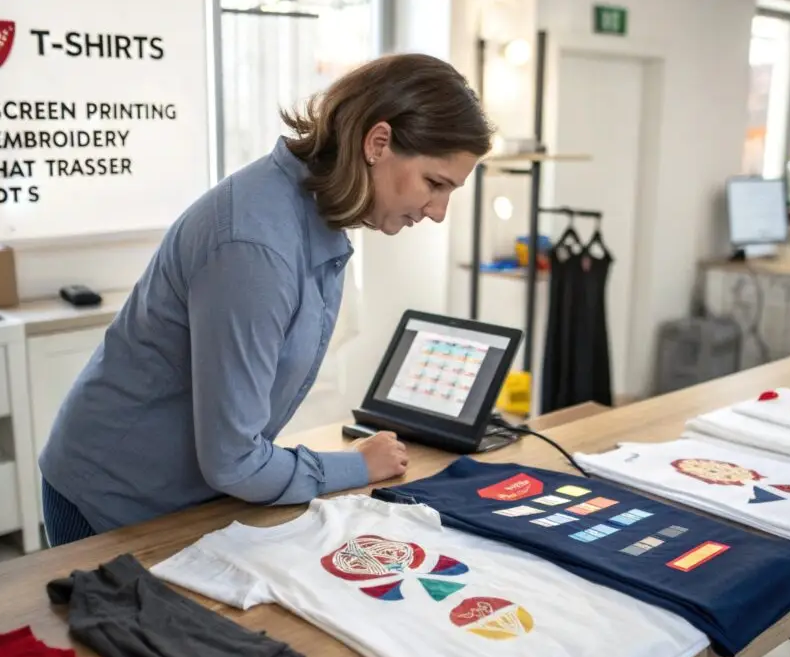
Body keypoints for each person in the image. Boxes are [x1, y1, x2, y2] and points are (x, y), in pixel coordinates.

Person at [38, 53, 494, 547]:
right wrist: (356, 465)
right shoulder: (256, 248)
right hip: (111, 499)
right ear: (378, 143)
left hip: (185, 495)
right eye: (435, 183)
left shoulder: (314, 212)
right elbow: (234, 460)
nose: (439, 212)